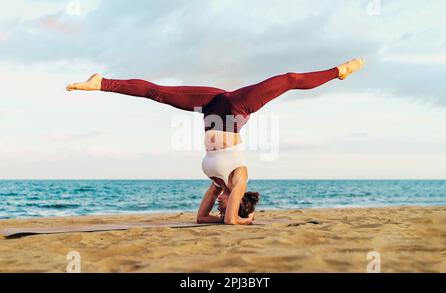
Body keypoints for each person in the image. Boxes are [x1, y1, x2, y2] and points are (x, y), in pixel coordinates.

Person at [66, 58, 365, 225]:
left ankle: (101, 84)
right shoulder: (240, 179)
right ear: (239, 202)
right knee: (288, 78)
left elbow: (200, 218)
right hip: (236, 107)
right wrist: (243, 220)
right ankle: (339, 72)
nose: (219, 207)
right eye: (224, 206)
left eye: (220, 208)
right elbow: (231, 222)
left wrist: (221, 210)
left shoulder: (218, 184)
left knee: (158, 93)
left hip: (211, 106)